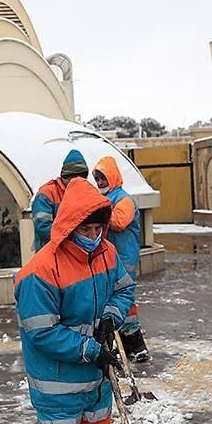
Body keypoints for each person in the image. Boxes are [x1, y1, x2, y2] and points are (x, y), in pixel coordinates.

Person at [14, 177, 136, 424]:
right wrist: (90, 349)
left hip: (96, 381)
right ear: (68, 225)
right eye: (86, 227)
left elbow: (124, 288)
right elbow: (42, 330)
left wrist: (110, 321)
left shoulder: (106, 253)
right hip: (58, 384)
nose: (93, 234)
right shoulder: (40, 271)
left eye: (99, 226)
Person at [92, 155, 149, 363]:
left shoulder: (123, 199)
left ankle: (136, 345)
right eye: (97, 179)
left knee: (124, 302)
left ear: (112, 177)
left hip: (124, 260)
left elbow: (118, 222)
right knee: (117, 302)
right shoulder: (109, 198)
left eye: (103, 178)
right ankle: (128, 345)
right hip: (112, 260)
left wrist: (99, 210)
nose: (99, 183)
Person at [31, 149, 89, 251]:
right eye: (74, 176)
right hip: (51, 253)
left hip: (76, 253)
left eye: (81, 177)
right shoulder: (46, 194)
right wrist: (72, 237)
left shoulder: (86, 192)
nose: (77, 181)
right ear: (66, 176)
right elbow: (42, 227)